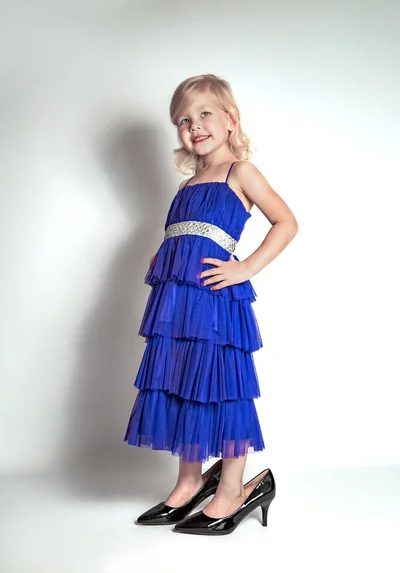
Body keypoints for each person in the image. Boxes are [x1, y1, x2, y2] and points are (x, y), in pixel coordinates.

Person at [124, 73, 298, 536]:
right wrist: (166, 254)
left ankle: (234, 490)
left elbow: (286, 222)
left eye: (204, 114)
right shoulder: (185, 186)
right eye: (183, 120)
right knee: (184, 382)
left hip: (217, 301)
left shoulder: (239, 172)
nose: (194, 126)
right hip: (179, 303)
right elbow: (186, 233)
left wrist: (245, 268)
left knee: (222, 387)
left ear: (230, 120)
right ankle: (188, 482)